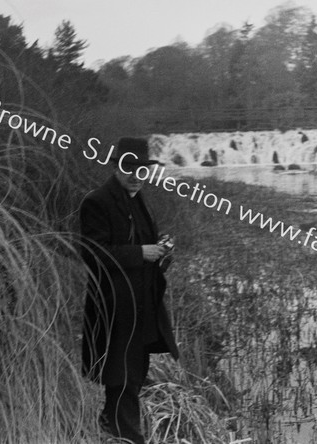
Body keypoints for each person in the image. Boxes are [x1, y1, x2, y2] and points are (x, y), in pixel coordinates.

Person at [79, 136, 179, 443]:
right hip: (115, 305)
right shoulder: (96, 202)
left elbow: (142, 242)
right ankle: (128, 435)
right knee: (120, 374)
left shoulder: (137, 200)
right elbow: (93, 252)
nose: (137, 175)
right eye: (129, 168)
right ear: (116, 166)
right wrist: (142, 253)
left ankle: (110, 423)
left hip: (141, 303)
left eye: (142, 170)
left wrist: (162, 249)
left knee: (132, 371)